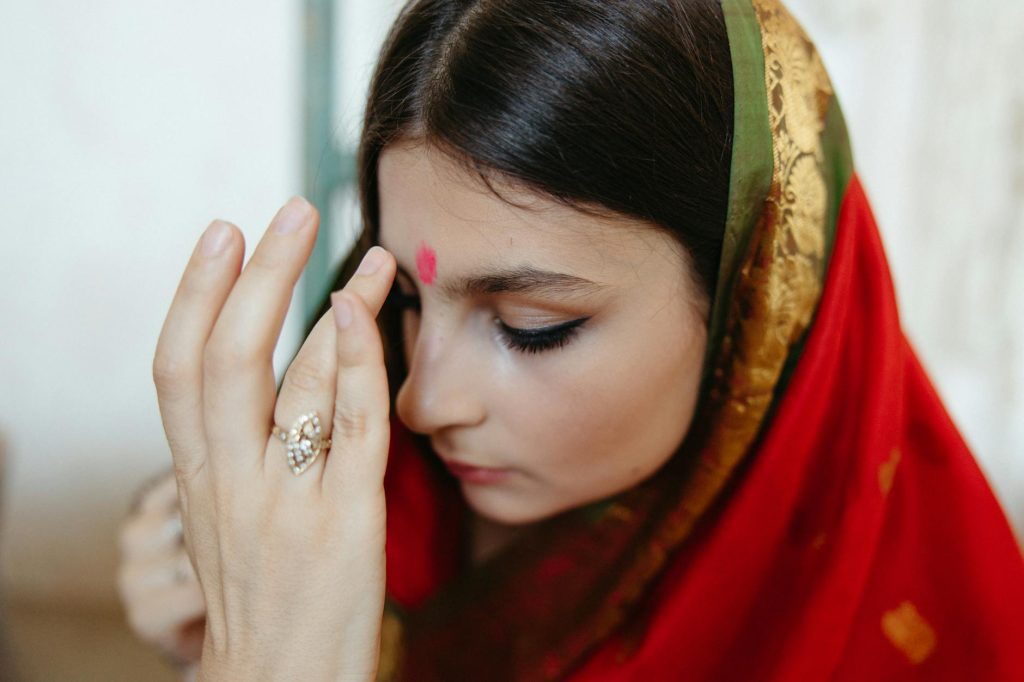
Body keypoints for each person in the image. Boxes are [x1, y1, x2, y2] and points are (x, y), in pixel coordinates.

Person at [119, 0, 1024, 679]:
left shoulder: (930, 632)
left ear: (758, 306)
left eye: (531, 328)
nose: (422, 401)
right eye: (404, 299)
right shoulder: (374, 502)